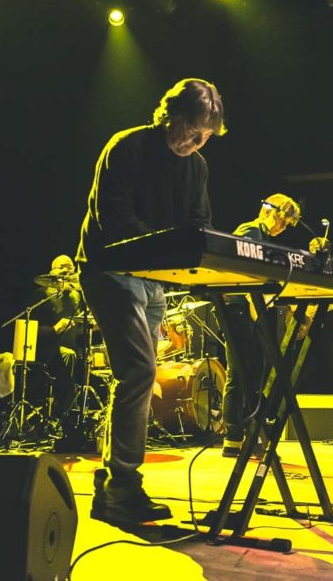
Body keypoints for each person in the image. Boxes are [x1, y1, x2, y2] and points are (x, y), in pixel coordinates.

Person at [76, 78, 226, 525]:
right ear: (170, 116)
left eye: (205, 137)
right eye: (193, 130)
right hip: (109, 269)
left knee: (139, 375)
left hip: (154, 281)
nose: (197, 142)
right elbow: (115, 218)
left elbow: (198, 222)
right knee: (139, 370)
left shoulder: (196, 166)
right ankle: (122, 484)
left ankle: (112, 488)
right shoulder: (127, 147)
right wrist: (166, 251)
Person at [220, 194, 332, 456]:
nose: (282, 229)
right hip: (236, 307)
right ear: (270, 212)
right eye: (282, 222)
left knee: (251, 370)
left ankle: (241, 437)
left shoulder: (264, 238)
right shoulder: (249, 231)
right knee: (241, 373)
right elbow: (246, 267)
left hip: (246, 310)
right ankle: (238, 436)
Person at [31, 255, 83, 425]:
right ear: (52, 271)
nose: (68, 270)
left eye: (71, 267)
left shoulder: (76, 296)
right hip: (44, 349)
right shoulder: (41, 295)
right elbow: (28, 329)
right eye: (62, 267)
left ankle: (78, 414)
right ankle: (66, 413)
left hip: (71, 349)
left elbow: (80, 326)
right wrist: (53, 330)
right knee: (69, 356)